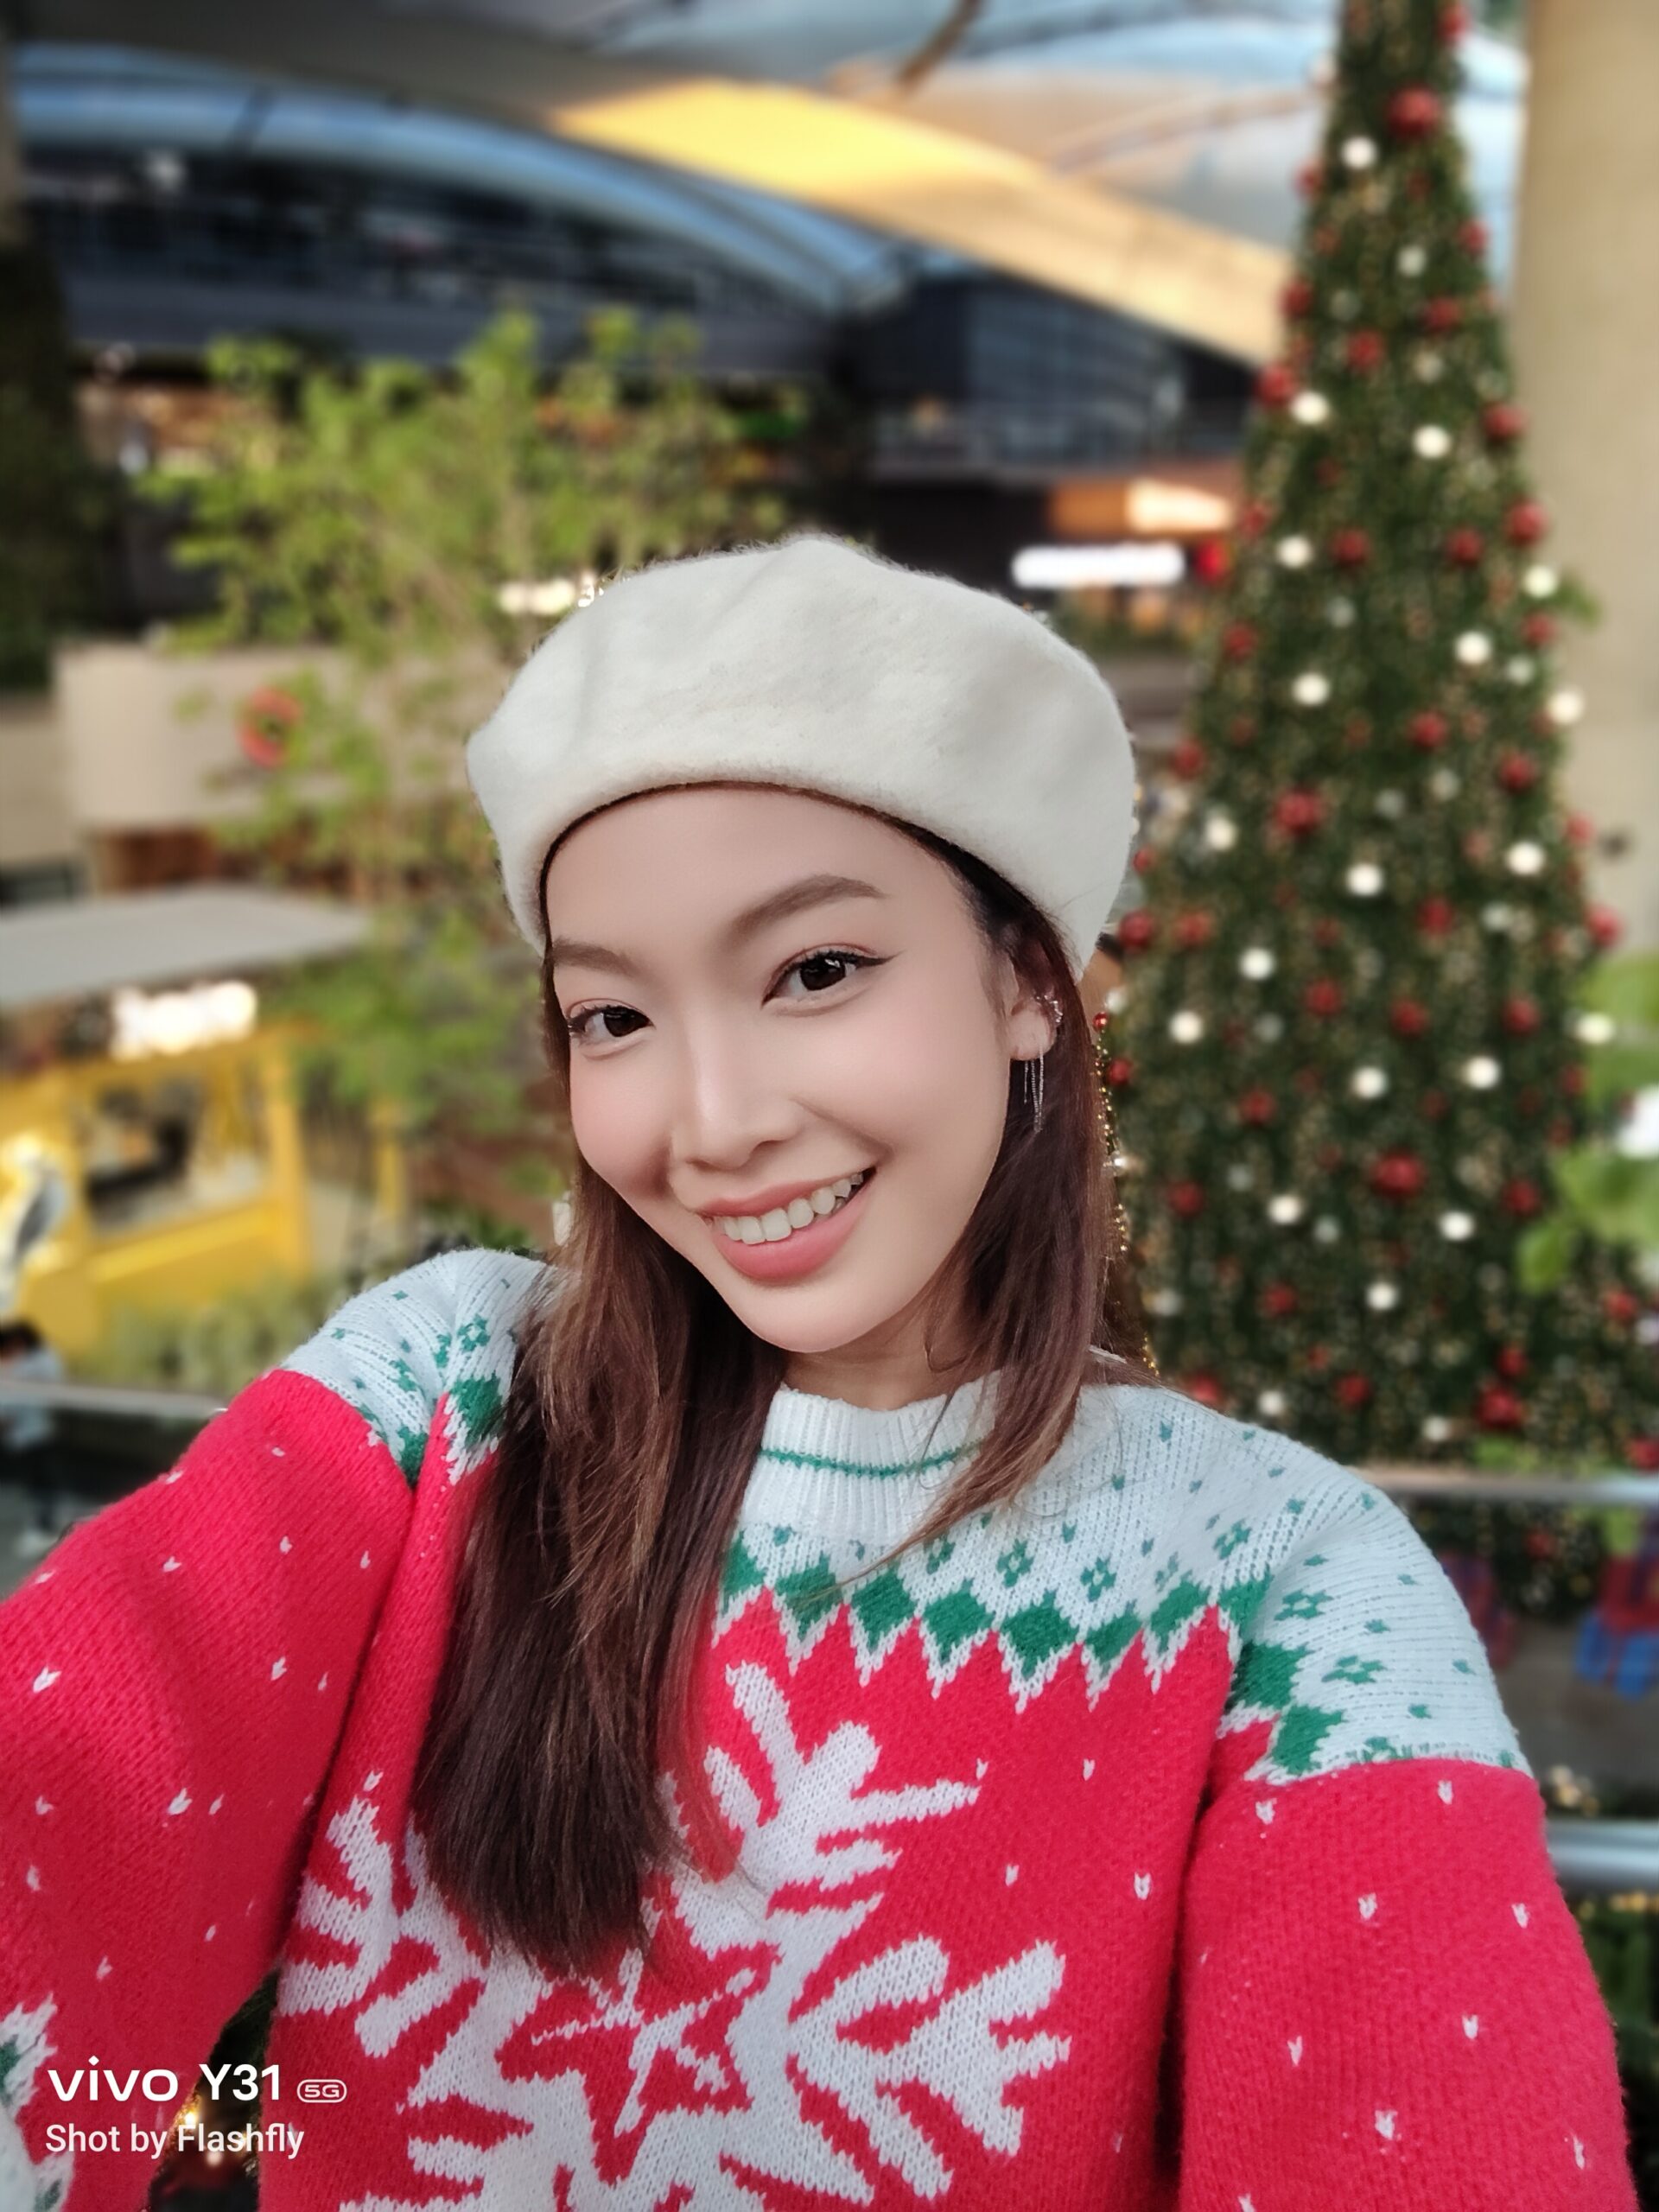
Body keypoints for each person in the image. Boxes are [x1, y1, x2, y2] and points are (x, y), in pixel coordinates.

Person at [0, 534, 1635, 2212]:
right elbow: (66, 1792)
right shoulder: (439, 1405)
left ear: (1031, 981)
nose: (713, 1124)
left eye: (816, 971)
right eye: (615, 1017)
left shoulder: (1287, 1584)